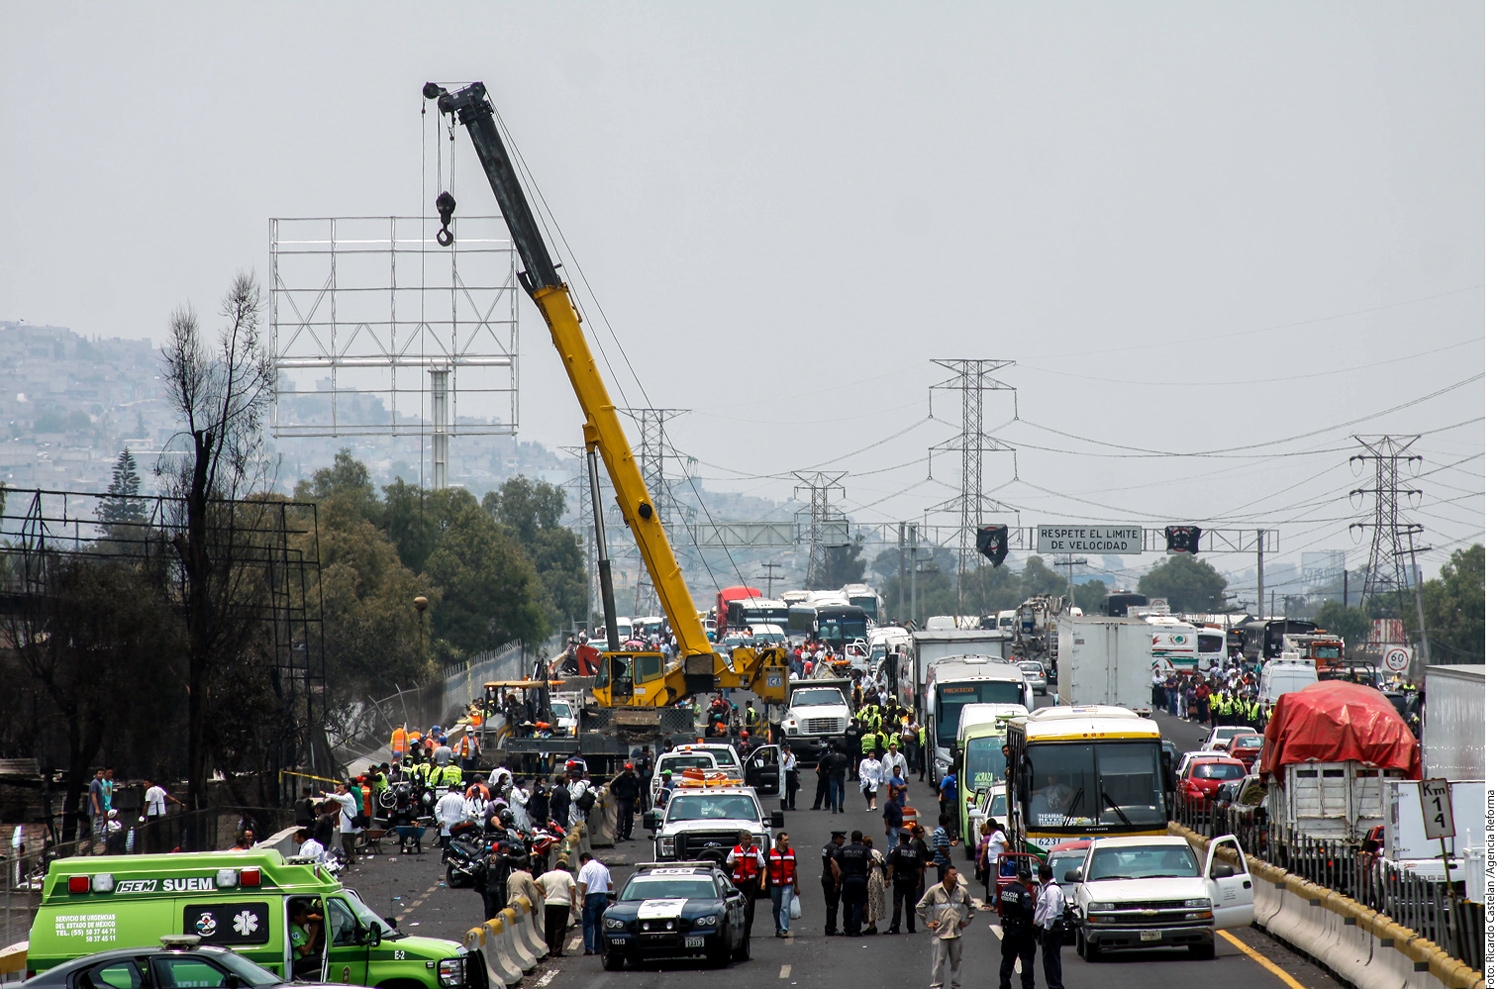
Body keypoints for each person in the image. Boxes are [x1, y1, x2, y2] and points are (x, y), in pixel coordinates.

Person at [917, 864, 976, 989]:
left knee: (957, 962)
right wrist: (928, 922)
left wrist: (966, 921)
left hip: (956, 933)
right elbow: (920, 907)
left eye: (956, 874)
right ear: (945, 876)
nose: (956, 877)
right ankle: (937, 986)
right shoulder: (935, 890)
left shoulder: (961, 891)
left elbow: (972, 906)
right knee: (938, 963)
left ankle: (956, 985)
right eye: (953, 875)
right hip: (940, 934)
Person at [998, 864, 1037, 989]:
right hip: (1023, 931)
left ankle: (1004, 984)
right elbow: (1028, 911)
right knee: (1026, 959)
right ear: (1028, 880)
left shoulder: (1006, 889)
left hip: (1009, 929)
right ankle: (1027, 986)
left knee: (1007, 959)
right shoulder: (1023, 893)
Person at [726, 830, 765, 946]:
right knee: (738, 907)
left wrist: (761, 880)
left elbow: (762, 865)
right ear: (742, 840)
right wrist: (734, 863)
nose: (748, 841)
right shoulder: (735, 850)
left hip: (750, 883)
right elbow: (728, 863)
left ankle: (747, 931)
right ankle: (739, 929)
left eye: (750, 839)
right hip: (738, 883)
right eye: (746, 839)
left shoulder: (755, 851)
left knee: (749, 907)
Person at [833, 828, 873, 937]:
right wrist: (869, 872)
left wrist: (840, 872)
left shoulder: (845, 849)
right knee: (858, 904)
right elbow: (872, 860)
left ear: (851, 839)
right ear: (861, 839)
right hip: (860, 878)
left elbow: (833, 859)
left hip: (847, 879)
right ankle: (856, 929)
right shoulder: (864, 849)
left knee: (847, 904)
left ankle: (847, 928)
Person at [1034, 865, 1067, 989]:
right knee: (1049, 958)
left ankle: (1055, 985)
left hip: (1052, 928)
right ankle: (1053, 984)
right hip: (1051, 927)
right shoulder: (1046, 888)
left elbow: (1052, 910)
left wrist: (1047, 928)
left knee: (1051, 959)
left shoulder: (1052, 890)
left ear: (1040, 876)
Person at [886, 827, 923, 934]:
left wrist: (887, 878)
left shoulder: (897, 850)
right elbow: (918, 867)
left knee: (898, 903)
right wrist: (919, 879)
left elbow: (891, 865)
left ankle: (895, 926)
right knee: (910, 904)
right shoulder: (913, 850)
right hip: (911, 880)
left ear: (901, 838)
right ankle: (911, 927)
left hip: (899, 879)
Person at [538, 861, 578, 956]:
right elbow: (572, 888)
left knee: (549, 927)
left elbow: (535, 883)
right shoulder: (566, 875)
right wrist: (573, 903)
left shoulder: (546, 875)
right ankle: (557, 950)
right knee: (560, 928)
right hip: (563, 904)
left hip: (549, 903)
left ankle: (549, 949)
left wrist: (544, 893)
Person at [764, 831, 799, 938]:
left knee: (785, 906)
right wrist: (763, 882)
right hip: (775, 884)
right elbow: (767, 868)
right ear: (779, 841)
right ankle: (778, 927)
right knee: (777, 907)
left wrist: (796, 886)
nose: (787, 842)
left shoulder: (791, 852)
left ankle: (784, 929)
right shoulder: (772, 853)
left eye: (788, 840)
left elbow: (794, 870)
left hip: (787, 884)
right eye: (785, 840)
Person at [577, 852, 612, 955]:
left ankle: (589, 948)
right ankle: (599, 948)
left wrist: (582, 899)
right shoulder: (603, 868)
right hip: (603, 896)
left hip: (591, 896)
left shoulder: (585, 868)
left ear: (585, 860)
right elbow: (609, 883)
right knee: (599, 924)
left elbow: (584, 885)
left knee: (588, 924)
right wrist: (608, 896)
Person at [324, 781, 361, 865]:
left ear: (346, 789)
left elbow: (338, 798)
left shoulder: (347, 797)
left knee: (345, 841)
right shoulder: (349, 796)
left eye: (342, 788)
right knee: (350, 841)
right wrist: (337, 792)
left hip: (348, 824)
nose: (340, 789)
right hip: (349, 824)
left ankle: (350, 857)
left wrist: (326, 794)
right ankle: (351, 857)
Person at [141, 779, 182, 854]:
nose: (144, 785)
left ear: (151, 783)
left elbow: (146, 804)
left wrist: (143, 816)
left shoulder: (150, 791)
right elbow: (169, 797)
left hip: (153, 814)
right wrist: (180, 803)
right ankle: (160, 849)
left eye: (146, 783)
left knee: (152, 834)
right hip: (161, 813)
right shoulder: (159, 789)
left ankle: (153, 850)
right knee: (160, 833)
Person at [821, 831, 846, 936]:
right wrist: (837, 882)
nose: (844, 841)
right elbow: (833, 867)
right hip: (831, 879)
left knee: (829, 904)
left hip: (825, 877)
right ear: (837, 838)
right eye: (842, 838)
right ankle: (831, 928)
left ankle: (829, 927)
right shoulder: (835, 849)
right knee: (833, 905)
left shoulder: (826, 847)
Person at [862, 833, 887, 936]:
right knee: (874, 899)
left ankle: (871, 924)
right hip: (878, 876)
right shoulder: (877, 852)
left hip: (869, 876)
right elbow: (883, 864)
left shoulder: (865, 852)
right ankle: (873, 922)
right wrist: (886, 879)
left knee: (868, 900)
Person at [609, 764, 640, 841]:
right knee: (621, 817)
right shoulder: (621, 778)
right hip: (622, 800)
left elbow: (636, 789)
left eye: (629, 769)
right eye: (626, 769)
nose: (627, 771)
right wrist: (616, 794)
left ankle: (627, 835)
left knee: (629, 819)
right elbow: (612, 785)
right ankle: (619, 834)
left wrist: (637, 798)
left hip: (631, 801)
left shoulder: (634, 779)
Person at [882, 790, 906, 854]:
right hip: (892, 827)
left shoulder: (897, 803)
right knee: (893, 846)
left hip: (898, 826)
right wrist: (887, 828)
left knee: (893, 845)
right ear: (890, 795)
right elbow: (886, 817)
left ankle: (887, 860)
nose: (896, 795)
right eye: (894, 794)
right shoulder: (888, 804)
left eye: (897, 794)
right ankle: (889, 861)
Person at [812, 744, 833, 811]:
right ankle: (825, 805)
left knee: (822, 790)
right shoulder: (828, 754)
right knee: (825, 790)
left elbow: (821, 761)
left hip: (825, 773)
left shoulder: (826, 754)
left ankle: (818, 805)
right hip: (825, 772)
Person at [780, 744, 800, 811]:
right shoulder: (781, 755)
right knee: (785, 790)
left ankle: (792, 805)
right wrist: (787, 756)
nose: (787, 749)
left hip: (792, 772)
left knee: (792, 790)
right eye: (786, 748)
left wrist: (796, 774)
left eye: (788, 748)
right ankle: (784, 806)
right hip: (785, 772)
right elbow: (783, 763)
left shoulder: (792, 755)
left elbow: (794, 764)